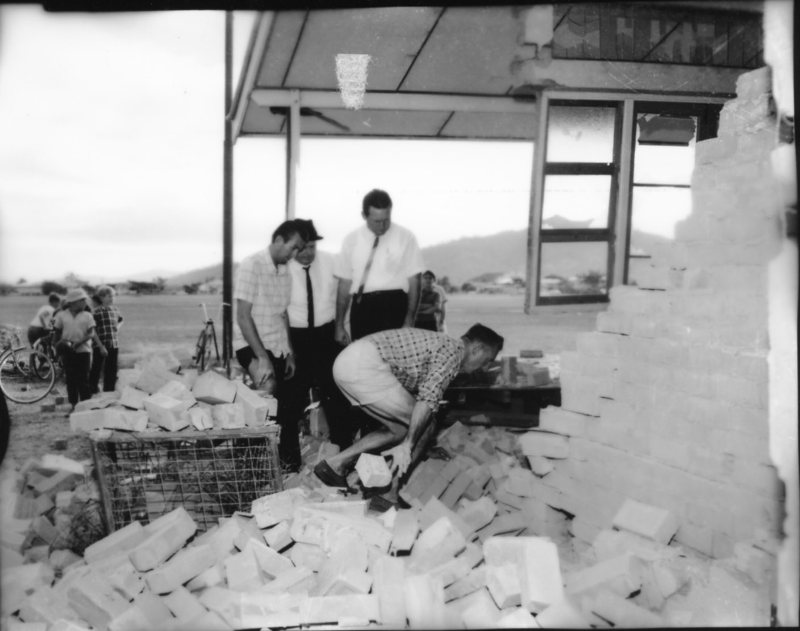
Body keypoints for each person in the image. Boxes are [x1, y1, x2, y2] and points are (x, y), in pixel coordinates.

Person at [313, 324, 504, 487]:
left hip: (348, 363)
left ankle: (334, 464)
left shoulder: (443, 346)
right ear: (477, 349)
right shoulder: (452, 353)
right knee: (426, 425)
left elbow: (415, 397)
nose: (485, 367)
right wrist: (410, 444)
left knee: (399, 429)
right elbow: (426, 402)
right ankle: (390, 494)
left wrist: (420, 443)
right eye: (488, 361)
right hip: (365, 364)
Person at [234, 219, 307, 472]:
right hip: (250, 344)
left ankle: (288, 467)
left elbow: (282, 314)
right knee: (266, 395)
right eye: (294, 248)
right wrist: (261, 357)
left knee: (290, 405)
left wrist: (290, 354)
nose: (295, 254)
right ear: (278, 240)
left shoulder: (285, 271)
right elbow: (243, 316)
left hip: (278, 345)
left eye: (300, 249)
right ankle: (249, 469)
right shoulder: (251, 265)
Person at [285, 219, 353, 450]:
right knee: (291, 400)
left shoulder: (331, 262)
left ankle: (342, 452)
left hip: (327, 334)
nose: (306, 253)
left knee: (336, 396)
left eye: (311, 247)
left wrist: (341, 327)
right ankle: (289, 461)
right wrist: (288, 349)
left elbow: (344, 296)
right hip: (295, 337)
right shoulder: (282, 268)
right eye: (301, 248)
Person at [334, 189, 425, 346]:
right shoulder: (351, 240)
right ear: (364, 216)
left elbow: (415, 280)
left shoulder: (406, 237)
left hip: (394, 306)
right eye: (377, 221)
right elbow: (344, 284)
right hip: (363, 307)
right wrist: (339, 325)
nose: (382, 226)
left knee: (394, 365)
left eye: (386, 220)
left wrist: (410, 319)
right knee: (364, 361)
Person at [53, 288, 107, 411]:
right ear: (73, 302)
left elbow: (91, 333)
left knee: (83, 380)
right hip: (67, 352)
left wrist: (78, 343)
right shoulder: (61, 315)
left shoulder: (87, 316)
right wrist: (57, 349)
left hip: (84, 352)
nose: (85, 303)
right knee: (71, 380)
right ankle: (73, 406)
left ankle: (85, 407)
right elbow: (57, 333)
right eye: (82, 300)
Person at [89, 285, 124, 394]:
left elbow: (121, 320)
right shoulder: (96, 312)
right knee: (96, 368)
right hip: (100, 345)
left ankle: (109, 392)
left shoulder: (115, 310)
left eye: (113, 296)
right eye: (109, 296)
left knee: (112, 369)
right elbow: (92, 330)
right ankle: (92, 390)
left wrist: (117, 328)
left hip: (114, 344)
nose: (112, 298)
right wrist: (100, 346)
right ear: (101, 297)